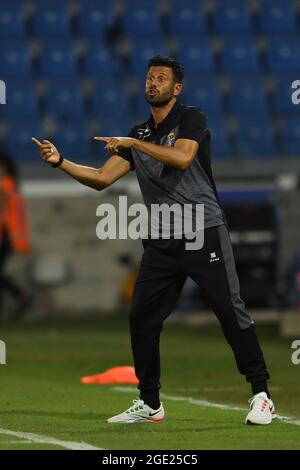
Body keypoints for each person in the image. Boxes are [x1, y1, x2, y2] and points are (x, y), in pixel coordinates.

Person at [32, 55, 276, 425]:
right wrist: (60, 161)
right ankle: (150, 403)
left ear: (176, 89)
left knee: (230, 311)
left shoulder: (190, 119)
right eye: (150, 77)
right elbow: (101, 178)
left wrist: (134, 144)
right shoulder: (140, 134)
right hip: (162, 237)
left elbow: (181, 158)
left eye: (161, 78)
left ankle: (262, 394)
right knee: (141, 319)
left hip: (201, 230)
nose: (153, 82)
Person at [0, 149, 31, 319]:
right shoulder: (12, 185)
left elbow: (3, 214)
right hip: (10, 236)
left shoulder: (4, 186)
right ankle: (20, 295)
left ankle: (20, 295)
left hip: (4, 235)